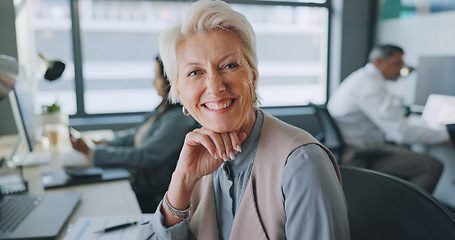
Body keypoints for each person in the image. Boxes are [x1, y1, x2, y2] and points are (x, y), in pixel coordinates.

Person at [139, 1, 350, 239]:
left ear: (253, 76)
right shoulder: (198, 152)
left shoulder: (302, 163)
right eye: (195, 72)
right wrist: (182, 181)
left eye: (229, 65)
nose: (215, 87)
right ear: (178, 91)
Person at [70, 55, 199, 213]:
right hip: (138, 180)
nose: (153, 82)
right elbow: (134, 136)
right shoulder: (163, 109)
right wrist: (105, 142)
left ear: (169, 79)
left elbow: (146, 155)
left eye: (157, 76)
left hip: (151, 191)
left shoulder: (179, 117)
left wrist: (93, 152)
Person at [328, 44, 450, 194]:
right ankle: (406, 215)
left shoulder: (362, 78)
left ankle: (395, 205)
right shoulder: (370, 86)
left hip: (356, 147)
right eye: (397, 64)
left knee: (407, 149)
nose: (400, 69)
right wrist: (446, 134)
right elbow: (402, 133)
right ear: (379, 62)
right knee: (432, 166)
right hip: (359, 154)